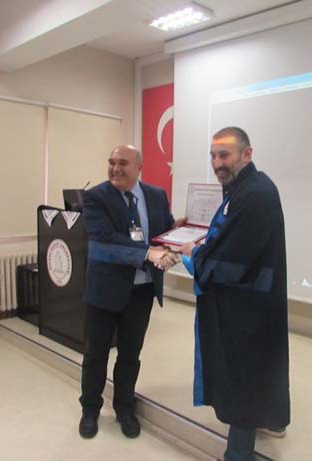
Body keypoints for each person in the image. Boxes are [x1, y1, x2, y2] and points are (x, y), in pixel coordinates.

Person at [180, 127, 290, 461]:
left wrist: (192, 254)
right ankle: (270, 420)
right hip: (252, 301)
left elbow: (228, 261)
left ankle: (239, 455)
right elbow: (232, 241)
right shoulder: (245, 188)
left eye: (224, 155)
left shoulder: (254, 194)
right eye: (213, 155)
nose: (217, 163)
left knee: (243, 375)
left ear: (247, 154)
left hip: (246, 308)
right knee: (259, 370)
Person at [79, 144, 180, 439]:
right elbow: (106, 239)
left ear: (139, 167)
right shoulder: (95, 197)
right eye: (111, 162)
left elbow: (164, 231)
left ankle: (124, 408)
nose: (115, 168)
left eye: (123, 162)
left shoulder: (156, 195)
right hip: (104, 290)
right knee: (95, 354)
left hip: (141, 291)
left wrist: (184, 232)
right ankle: (90, 410)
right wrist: (149, 253)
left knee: (130, 354)